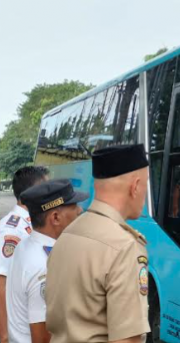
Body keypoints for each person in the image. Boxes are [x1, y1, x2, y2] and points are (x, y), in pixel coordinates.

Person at [46, 144, 151, 343]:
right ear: (135, 186)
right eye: (146, 185)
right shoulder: (124, 247)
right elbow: (127, 339)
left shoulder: (68, 234)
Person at [6, 180, 86, 343]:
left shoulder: (27, 245)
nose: (80, 210)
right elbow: (43, 337)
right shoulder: (45, 266)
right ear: (55, 217)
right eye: (73, 206)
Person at [0, 166, 49, 343]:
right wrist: (5, 337)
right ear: (35, 192)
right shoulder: (11, 230)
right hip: (5, 326)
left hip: (22, 321)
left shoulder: (32, 224)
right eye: (47, 188)